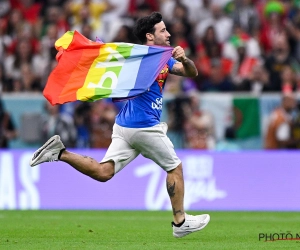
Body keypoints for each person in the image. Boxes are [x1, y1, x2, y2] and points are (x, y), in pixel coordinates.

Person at [29, 12, 210, 238]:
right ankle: (180, 221)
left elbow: (190, 72)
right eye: (163, 30)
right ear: (150, 37)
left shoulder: (163, 58)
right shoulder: (139, 58)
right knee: (175, 168)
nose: (169, 33)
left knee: (104, 172)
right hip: (143, 126)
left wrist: (184, 59)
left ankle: (60, 153)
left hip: (125, 125)